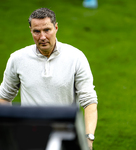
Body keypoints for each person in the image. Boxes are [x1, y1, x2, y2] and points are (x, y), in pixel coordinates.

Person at [0, 8, 98, 150]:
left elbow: (89, 102)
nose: (42, 37)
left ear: (56, 27)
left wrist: (89, 137)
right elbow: (4, 97)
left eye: (47, 30)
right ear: (31, 31)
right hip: (28, 136)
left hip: (65, 136)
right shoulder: (17, 59)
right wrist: (8, 133)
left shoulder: (76, 57)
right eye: (37, 31)